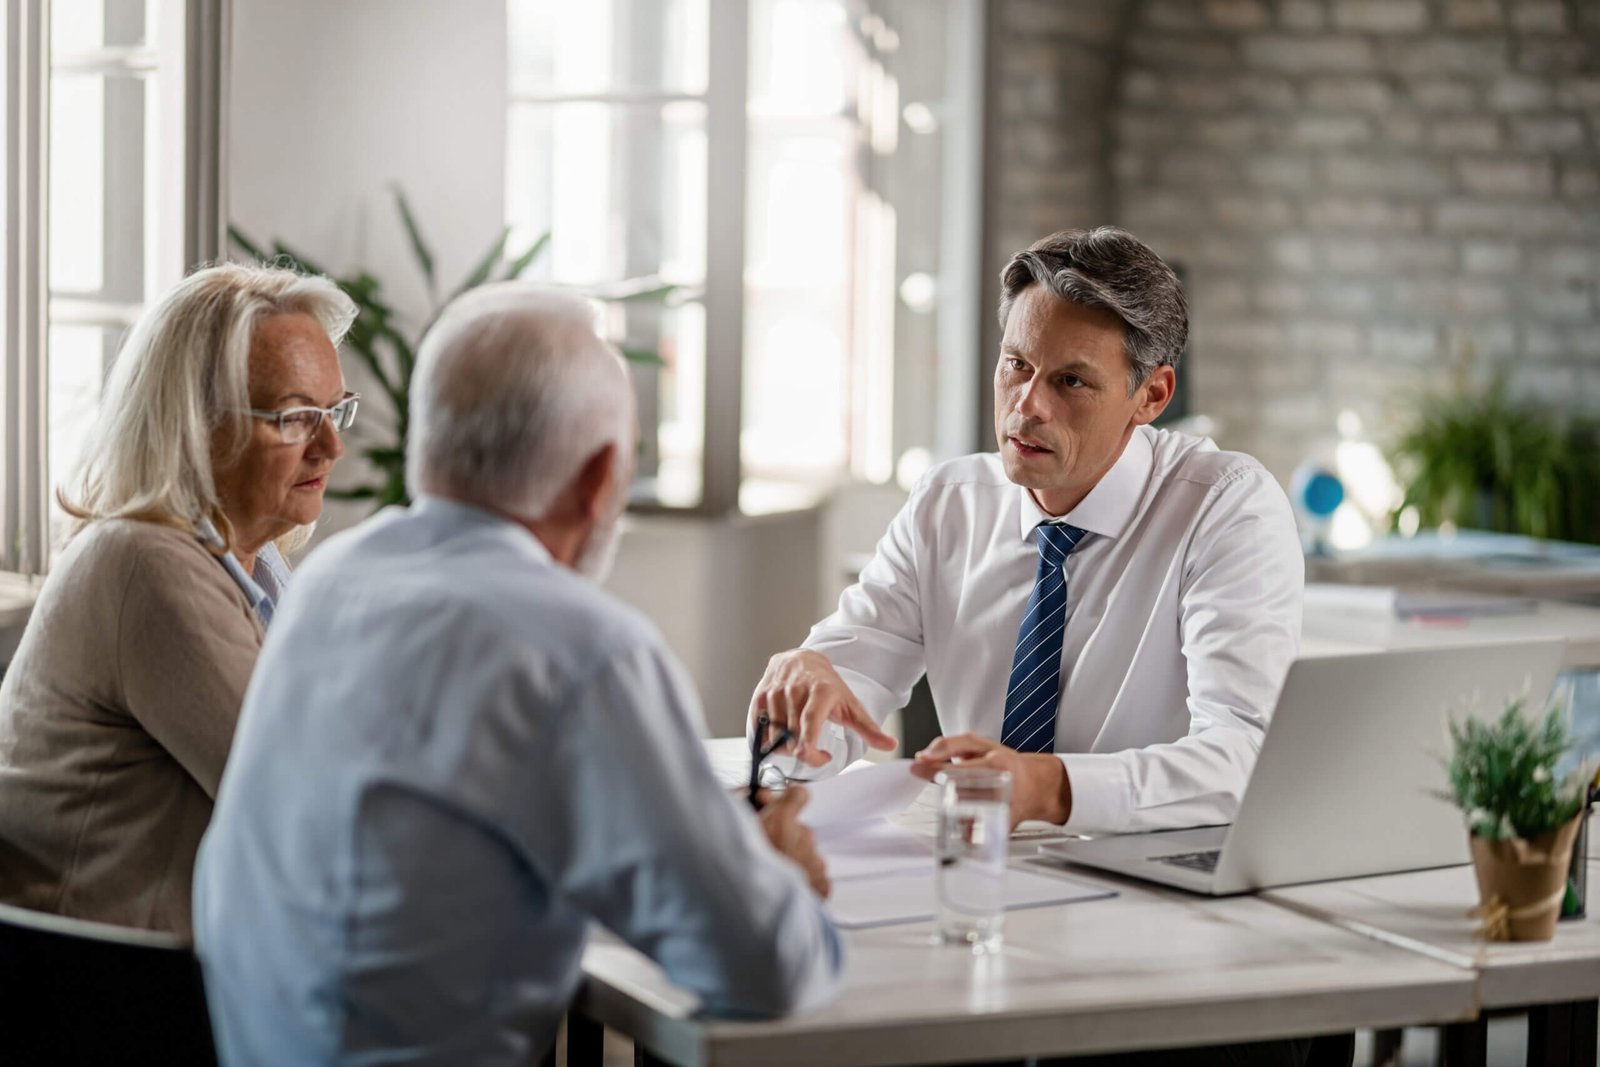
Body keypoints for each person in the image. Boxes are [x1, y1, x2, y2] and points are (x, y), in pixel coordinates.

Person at [194, 284, 842, 1066]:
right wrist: (774, 878)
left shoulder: (332, 580)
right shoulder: (581, 649)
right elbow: (766, 968)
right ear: (602, 476)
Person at [751, 226, 1304, 835]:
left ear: (1152, 395)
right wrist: (801, 712)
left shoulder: (1226, 508)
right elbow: (845, 688)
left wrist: (1047, 787)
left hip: (1150, 880)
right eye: (1016, 365)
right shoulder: (948, 504)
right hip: (977, 867)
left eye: (1070, 381)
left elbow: (1247, 756)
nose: (1026, 406)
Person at [0, 262, 356, 935]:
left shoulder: (256, 566)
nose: (332, 445)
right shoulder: (146, 563)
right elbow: (311, 811)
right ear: (196, 423)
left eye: (336, 410)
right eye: (296, 417)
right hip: (98, 1005)